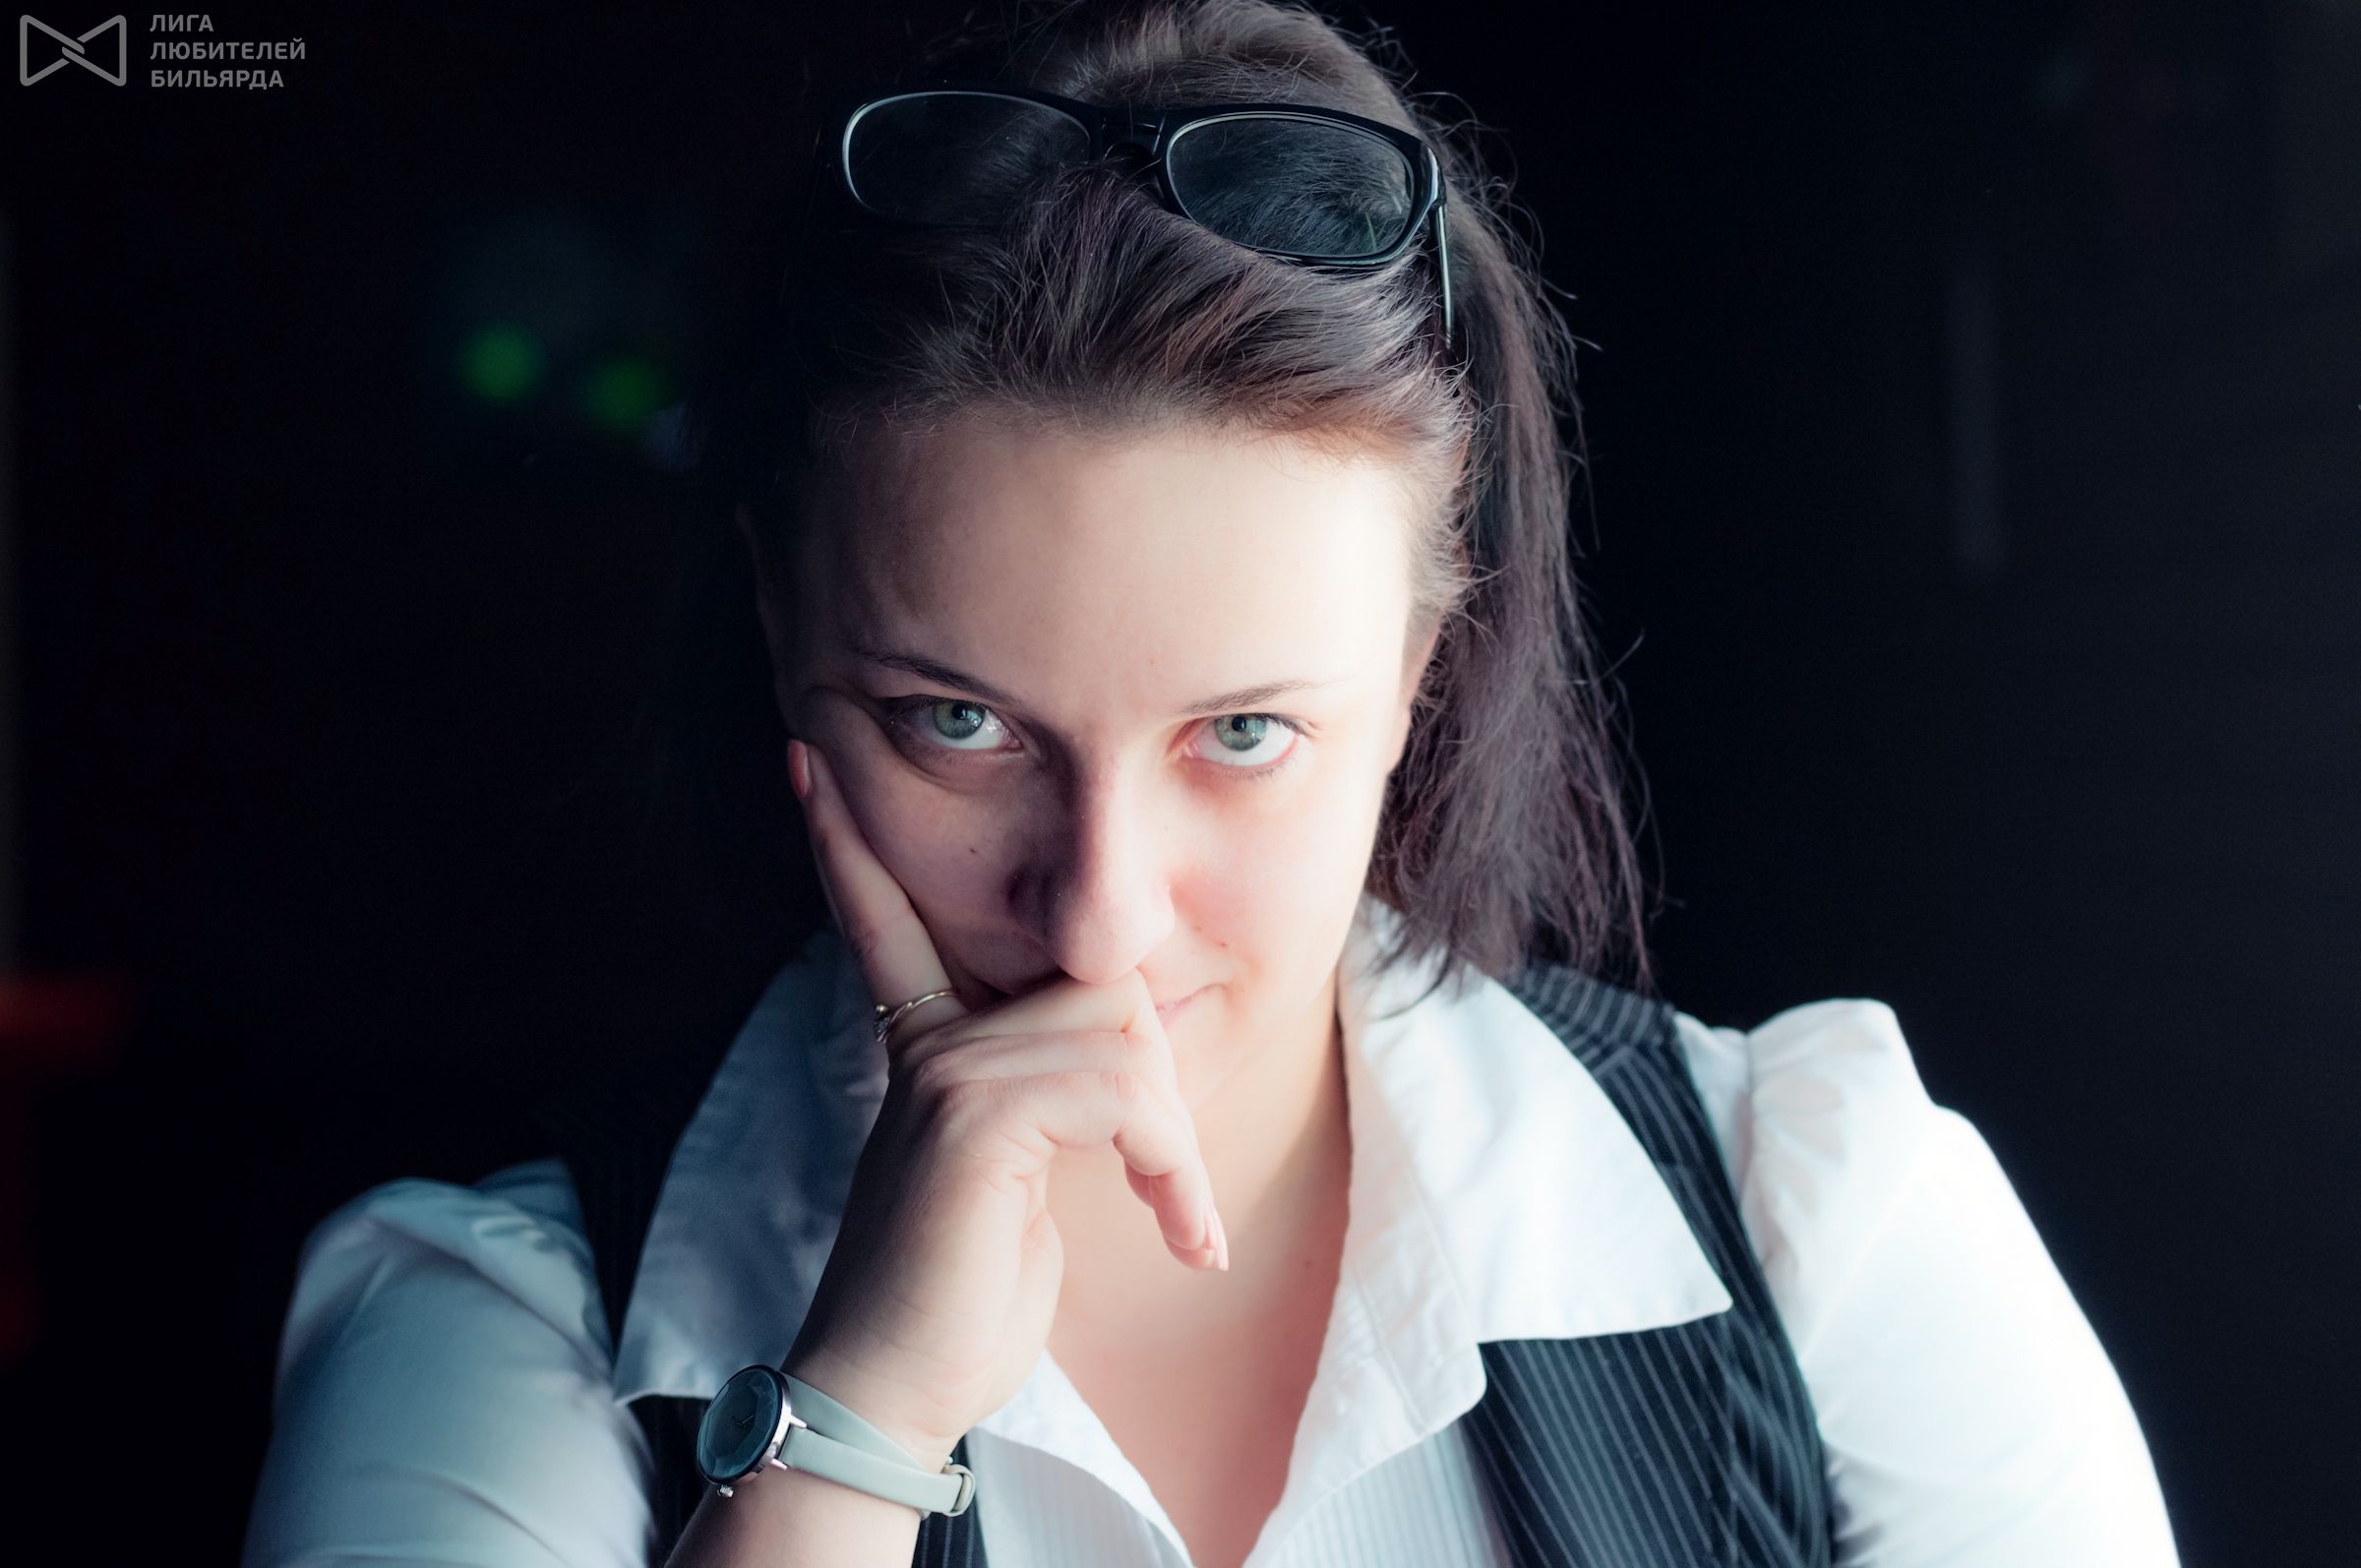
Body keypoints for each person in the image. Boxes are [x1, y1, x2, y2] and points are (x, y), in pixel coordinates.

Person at [241, 3, 2180, 1566]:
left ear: (1420, 668)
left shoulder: (1833, 1238)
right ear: (780, 623)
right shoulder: (496, 1334)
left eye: (1242, 732)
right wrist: (850, 1429)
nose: (1099, 917)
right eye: (957, 722)